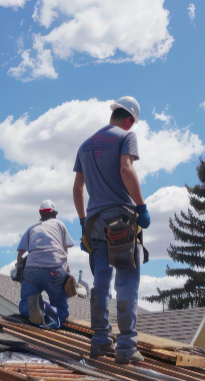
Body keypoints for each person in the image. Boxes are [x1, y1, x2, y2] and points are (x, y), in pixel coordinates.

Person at [72, 96, 150, 364]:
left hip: (94, 223)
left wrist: (83, 223)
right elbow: (126, 169)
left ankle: (100, 340)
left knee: (100, 283)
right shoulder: (125, 138)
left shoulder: (85, 145)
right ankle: (127, 347)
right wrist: (141, 206)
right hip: (121, 219)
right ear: (130, 120)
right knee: (127, 281)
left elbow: (77, 188)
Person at [17, 200, 74, 329]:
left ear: (40, 214)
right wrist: (67, 273)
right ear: (55, 214)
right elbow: (65, 252)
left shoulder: (32, 228)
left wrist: (21, 271)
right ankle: (47, 311)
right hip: (54, 270)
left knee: (25, 302)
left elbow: (20, 256)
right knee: (61, 308)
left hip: (31, 270)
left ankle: (36, 307)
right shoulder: (59, 224)